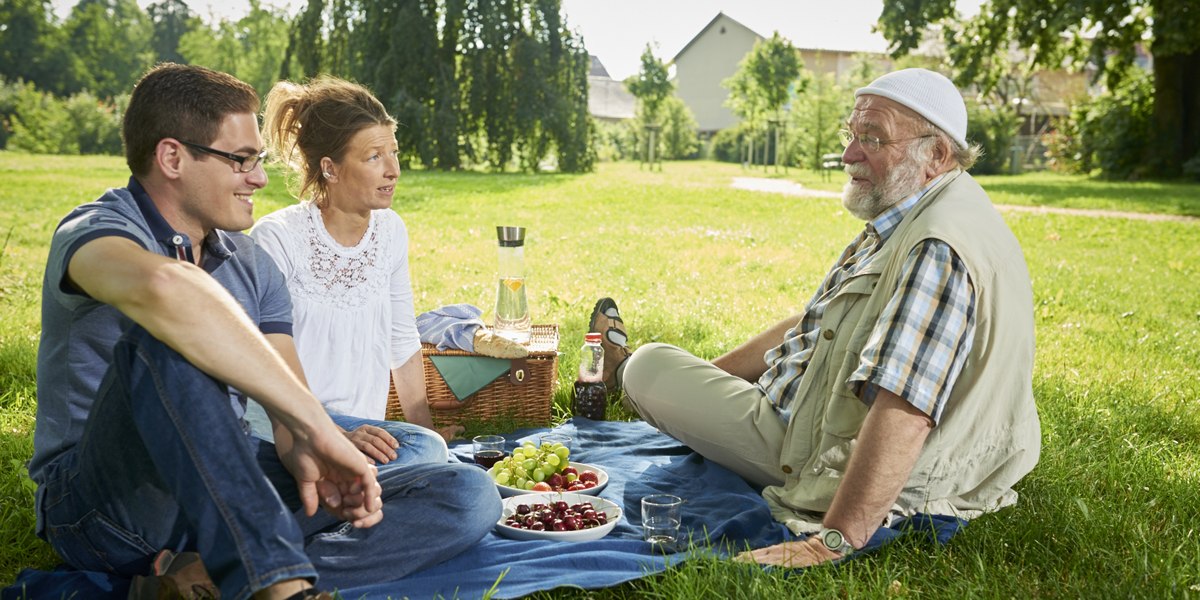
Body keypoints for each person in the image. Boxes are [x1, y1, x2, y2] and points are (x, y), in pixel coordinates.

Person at [30, 63, 499, 599]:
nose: (258, 178)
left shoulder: (249, 261)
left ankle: (205, 577)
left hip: (229, 478)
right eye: (241, 161)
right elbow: (165, 292)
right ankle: (278, 585)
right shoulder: (95, 232)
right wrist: (319, 428)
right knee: (173, 338)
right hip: (107, 502)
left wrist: (309, 442)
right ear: (172, 157)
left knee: (467, 492)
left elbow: (286, 403)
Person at [593, 68, 1040, 567]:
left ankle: (623, 373)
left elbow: (905, 409)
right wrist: (707, 382)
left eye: (872, 138)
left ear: (936, 153)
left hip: (817, 456)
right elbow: (817, 320)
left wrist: (833, 540)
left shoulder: (935, 247)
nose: (849, 154)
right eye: (851, 134)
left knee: (648, 366)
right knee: (670, 372)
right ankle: (668, 387)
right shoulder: (927, 211)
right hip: (809, 416)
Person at [241, 77, 459, 460]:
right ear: (331, 168)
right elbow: (257, 362)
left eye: (394, 152)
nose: (393, 170)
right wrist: (330, 432)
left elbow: (402, 337)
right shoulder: (277, 238)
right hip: (285, 430)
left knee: (441, 463)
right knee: (440, 476)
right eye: (374, 157)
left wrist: (425, 430)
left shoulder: (391, 231)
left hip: (367, 433)